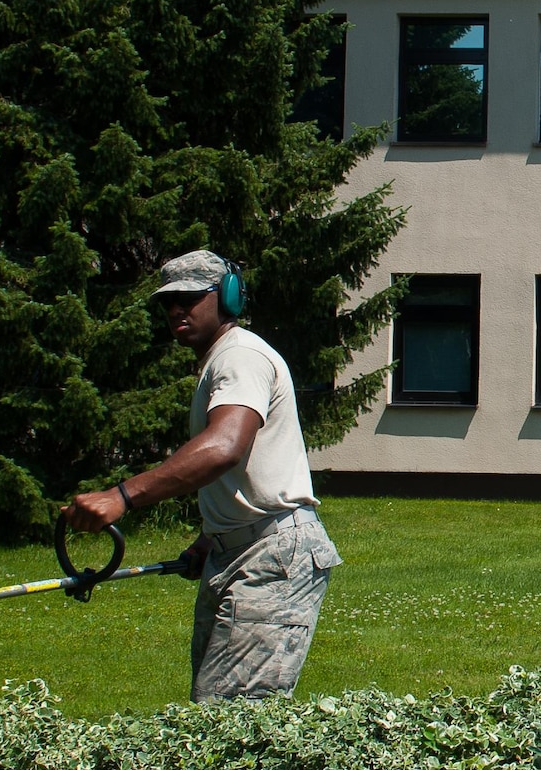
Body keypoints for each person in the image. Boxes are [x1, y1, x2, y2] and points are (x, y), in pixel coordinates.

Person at [62, 250, 342, 700]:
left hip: (271, 558)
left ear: (228, 297)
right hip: (237, 552)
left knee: (231, 721)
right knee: (213, 709)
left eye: (190, 297)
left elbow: (224, 448)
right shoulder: (221, 361)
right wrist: (212, 539)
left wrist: (122, 496)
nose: (176, 309)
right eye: (167, 302)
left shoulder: (240, 357)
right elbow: (249, 468)